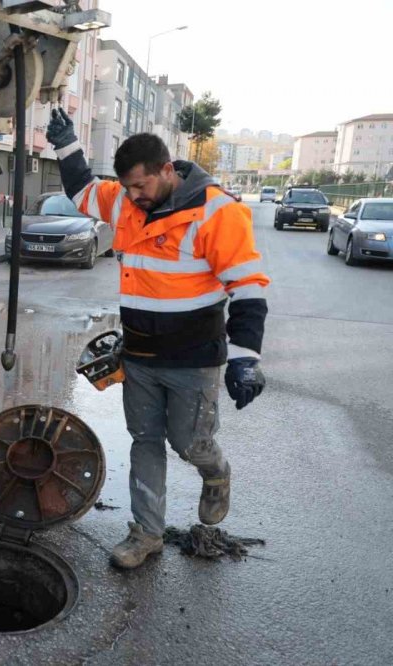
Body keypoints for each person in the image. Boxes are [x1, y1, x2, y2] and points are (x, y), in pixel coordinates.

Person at [47, 108, 269, 569]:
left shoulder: (217, 212)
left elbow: (247, 288)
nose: (132, 197)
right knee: (144, 441)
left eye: (141, 186)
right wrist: (67, 144)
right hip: (141, 357)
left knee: (189, 443)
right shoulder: (127, 202)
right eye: (126, 187)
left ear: (167, 170)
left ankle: (216, 473)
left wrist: (245, 358)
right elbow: (84, 189)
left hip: (193, 361)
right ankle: (146, 533)